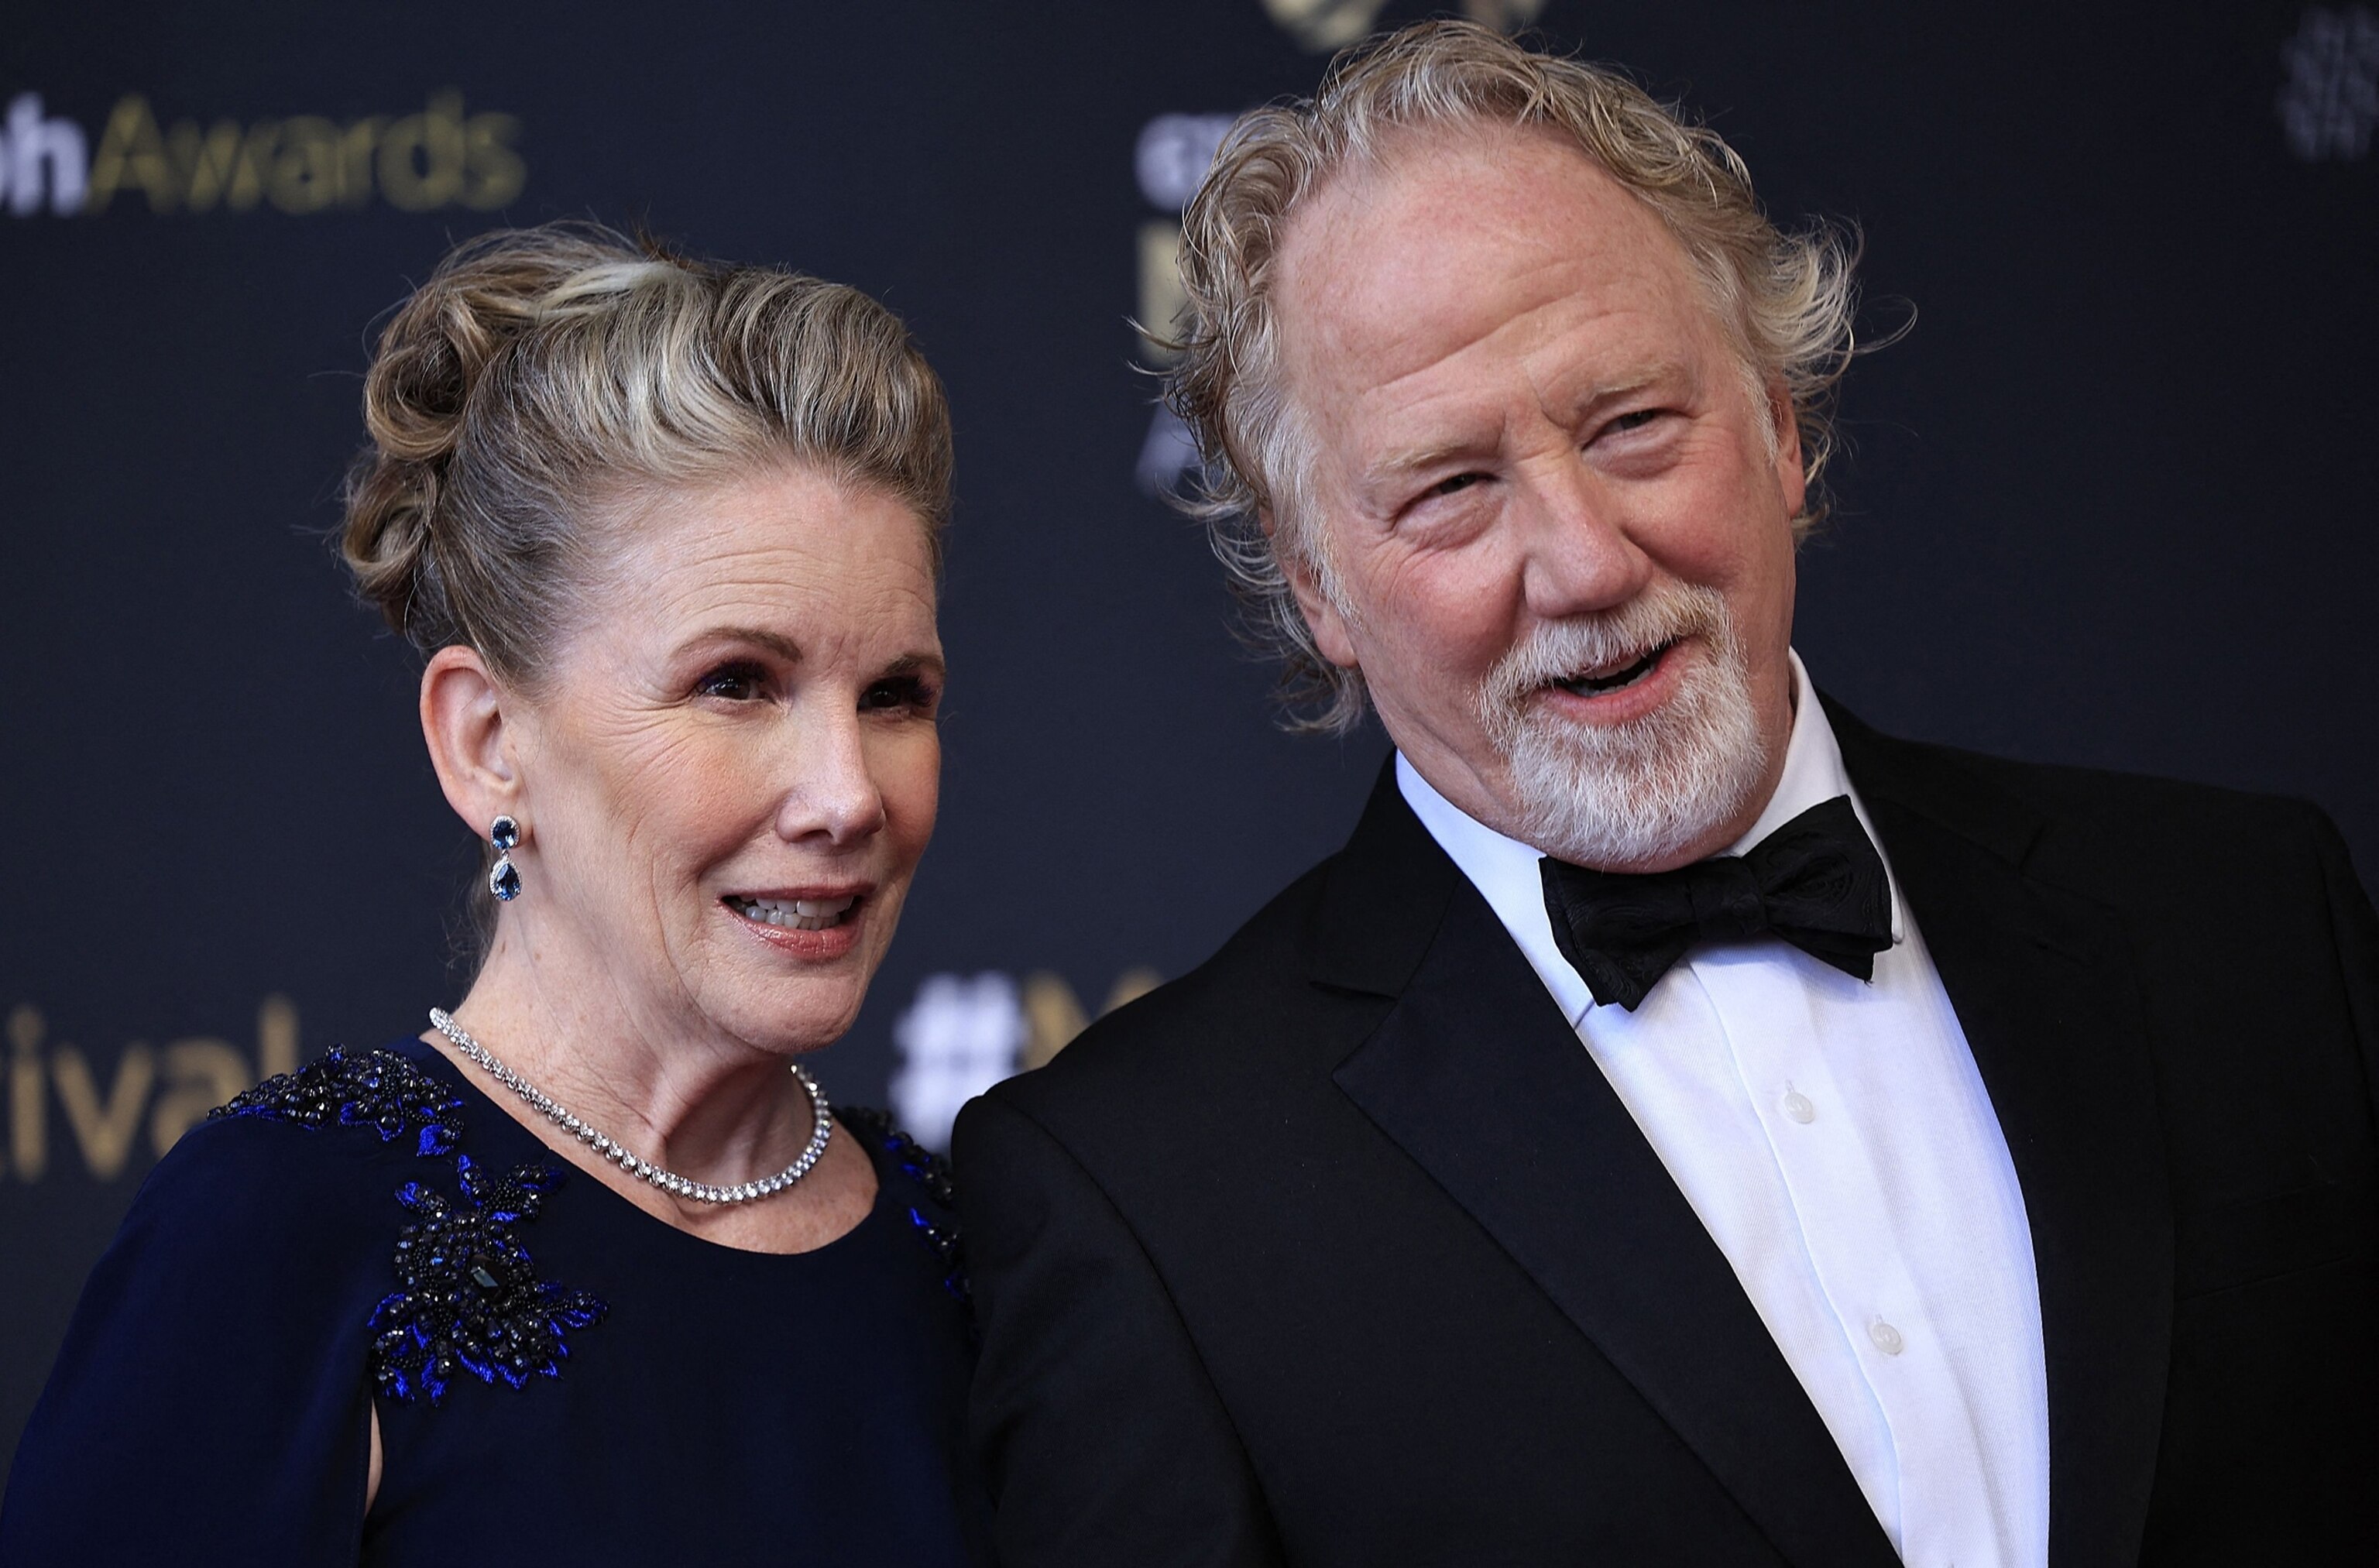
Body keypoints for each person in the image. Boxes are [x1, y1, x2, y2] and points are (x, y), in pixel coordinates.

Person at [954, 21, 2379, 1568]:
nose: (1583, 560)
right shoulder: (1146, 1197)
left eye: (1632, 423)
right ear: (1318, 591)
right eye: (1449, 488)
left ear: (1779, 426)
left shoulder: (2247, 923)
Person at [0, 225, 990, 1566]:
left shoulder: (978, 1257)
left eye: (895, 697)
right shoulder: (280, 1235)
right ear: (485, 740)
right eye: (736, 683)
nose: (847, 793)